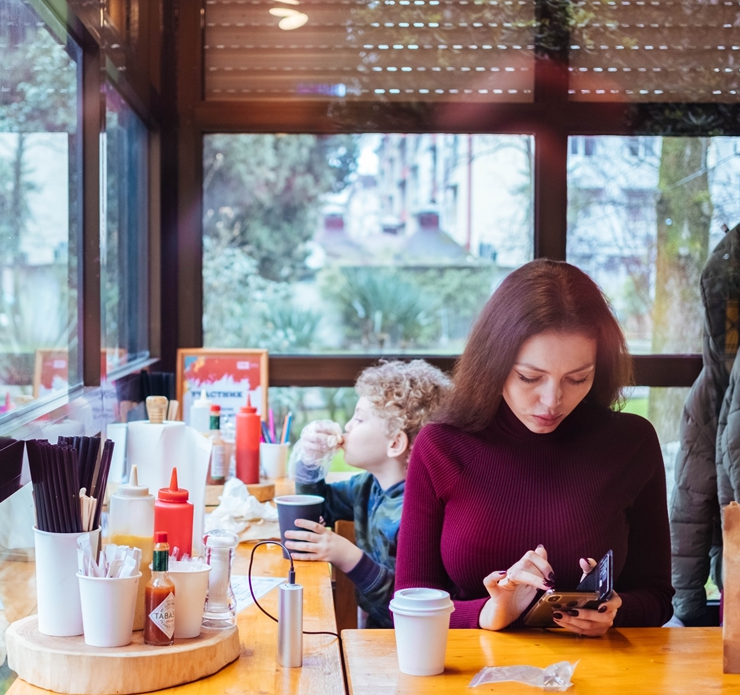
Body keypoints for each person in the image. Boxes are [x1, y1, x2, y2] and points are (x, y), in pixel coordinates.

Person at [395, 260, 674, 636]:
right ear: (492, 363)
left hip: (599, 680)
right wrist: (489, 613)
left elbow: (657, 596)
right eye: (529, 377)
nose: (551, 401)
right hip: (468, 678)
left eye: (577, 379)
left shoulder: (631, 442)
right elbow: (410, 601)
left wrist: (615, 611)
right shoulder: (442, 446)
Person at [283, 359, 449, 628]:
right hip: (376, 629)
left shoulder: (417, 512)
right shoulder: (367, 486)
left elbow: (409, 606)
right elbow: (318, 508)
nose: (347, 426)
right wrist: (310, 461)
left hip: (413, 639)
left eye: (359, 419)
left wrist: (347, 556)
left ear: (395, 443)